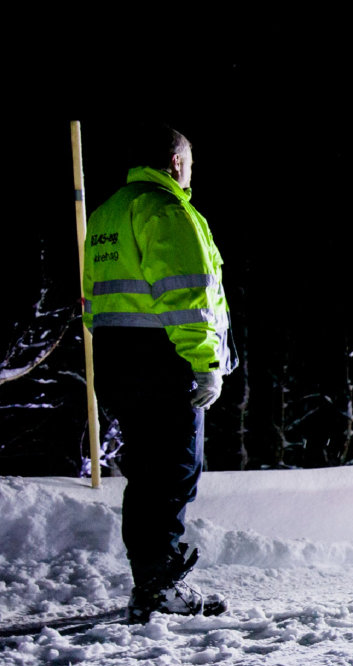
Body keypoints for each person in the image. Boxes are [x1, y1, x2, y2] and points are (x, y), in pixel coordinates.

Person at [82, 124, 234, 622]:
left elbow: (94, 301)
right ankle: (158, 585)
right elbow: (188, 299)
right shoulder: (166, 210)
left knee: (147, 473)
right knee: (173, 471)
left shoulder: (106, 213)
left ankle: (149, 579)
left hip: (115, 359)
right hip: (163, 359)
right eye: (189, 164)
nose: (190, 175)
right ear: (175, 162)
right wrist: (205, 363)